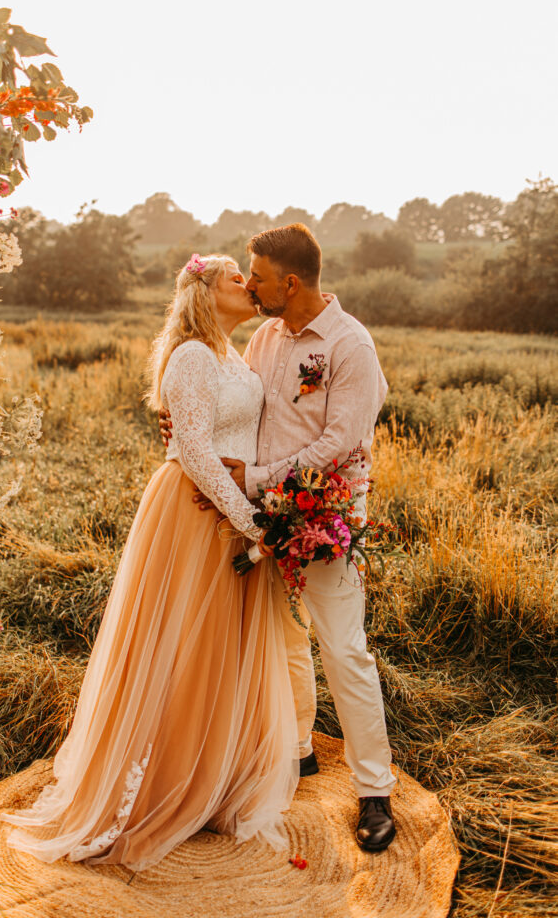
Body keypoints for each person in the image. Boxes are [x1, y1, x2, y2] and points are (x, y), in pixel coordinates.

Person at [0, 254, 298, 871]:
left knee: (219, 649)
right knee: (180, 644)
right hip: (194, 512)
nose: (247, 284)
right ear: (205, 292)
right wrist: (252, 523)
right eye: (235, 277)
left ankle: (212, 775)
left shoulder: (236, 354)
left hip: (233, 511)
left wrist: (258, 509)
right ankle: (159, 780)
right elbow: (193, 449)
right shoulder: (190, 355)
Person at [160, 224, 397, 852]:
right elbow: (226, 402)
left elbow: (340, 442)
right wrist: (180, 424)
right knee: (282, 637)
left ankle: (375, 789)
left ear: (289, 283)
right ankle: (296, 748)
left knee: (343, 649)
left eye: (258, 277)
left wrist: (257, 480)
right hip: (261, 517)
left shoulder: (350, 345)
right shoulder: (264, 337)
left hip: (327, 514)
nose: (250, 286)